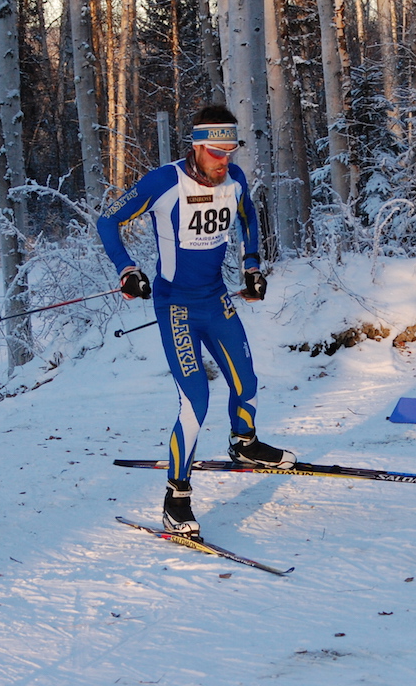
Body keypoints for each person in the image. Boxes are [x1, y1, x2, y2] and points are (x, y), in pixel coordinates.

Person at [97, 105, 296, 537]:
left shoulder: (235, 179)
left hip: (215, 299)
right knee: (196, 400)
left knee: (246, 380)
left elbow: (248, 217)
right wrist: (127, 269)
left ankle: (245, 444)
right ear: (197, 146)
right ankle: (177, 497)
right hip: (176, 307)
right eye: (216, 152)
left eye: (230, 151)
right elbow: (108, 220)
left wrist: (252, 266)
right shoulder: (165, 181)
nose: (224, 161)